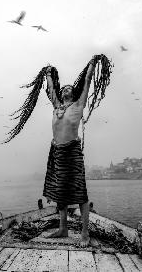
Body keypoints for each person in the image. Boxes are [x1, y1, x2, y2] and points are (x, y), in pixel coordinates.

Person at [42, 56, 99, 247]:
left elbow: (87, 83)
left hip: (72, 152)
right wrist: (48, 73)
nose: (67, 89)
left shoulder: (78, 105)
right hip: (57, 152)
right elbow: (51, 90)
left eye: (69, 88)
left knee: (80, 192)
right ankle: (63, 228)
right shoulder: (57, 107)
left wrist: (91, 64)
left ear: (73, 93)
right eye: (64, 88)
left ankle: (84, 233)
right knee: (60, 192)